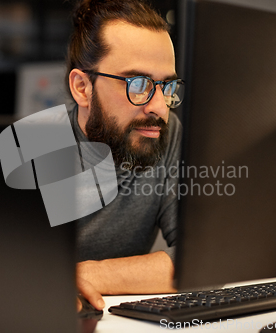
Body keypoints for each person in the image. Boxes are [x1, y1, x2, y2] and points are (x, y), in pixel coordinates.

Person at [66, 0, 184, 310]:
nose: (159, 107)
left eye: (167, 86)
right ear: (82, 88)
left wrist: (86, 274)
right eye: (138, 84)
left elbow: (203, 257)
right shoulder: (32, 150)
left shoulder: (162, 133)